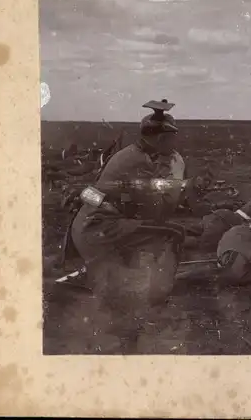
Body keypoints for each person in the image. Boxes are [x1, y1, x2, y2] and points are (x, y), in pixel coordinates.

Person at [68, 107, 188, 352]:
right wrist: (175, 178)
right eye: (172, 138)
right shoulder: (138, 162)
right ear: (162, 138)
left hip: (93, 223)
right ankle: (153, 298)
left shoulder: (132, 155)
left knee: (154, 234)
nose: (175, 143)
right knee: (171, 235)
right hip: (100, 230)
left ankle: (109, 284)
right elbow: (159, 211)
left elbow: (94, 191)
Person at [184, 177, 251, 252]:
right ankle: (172, 242)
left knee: (192, 229)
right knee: (201, 244)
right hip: (226, 223)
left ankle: (171, 233)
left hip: (220, 216)